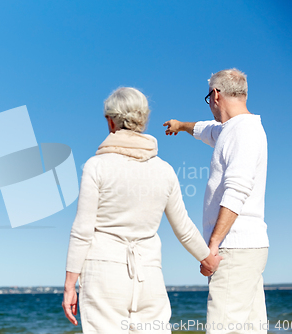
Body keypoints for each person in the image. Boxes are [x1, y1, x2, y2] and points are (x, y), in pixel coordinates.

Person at [62, 87, 222, 333]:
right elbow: (184, 228)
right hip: (149, 277)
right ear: (143, 120)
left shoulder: (96, 166)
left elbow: (82, 230)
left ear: (110, 121)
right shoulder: (164, 170)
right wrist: (208, 259)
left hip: (103, 275)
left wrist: (69, 285)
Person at [163, 68, 269, 334]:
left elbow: (237, 190)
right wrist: (181, 126)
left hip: (233, 248)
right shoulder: (232, 130)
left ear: (216, 95)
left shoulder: (241, 133)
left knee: (223, 328)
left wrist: (213, 245)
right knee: (249, 329)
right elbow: (205, 129)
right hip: (248, 248)